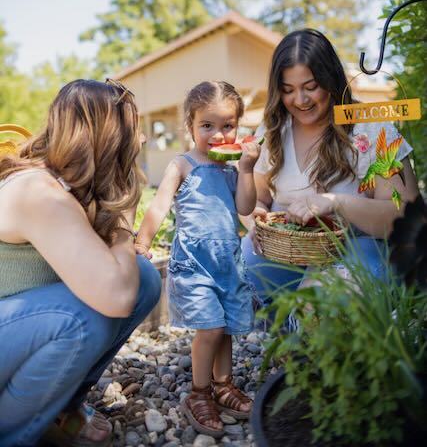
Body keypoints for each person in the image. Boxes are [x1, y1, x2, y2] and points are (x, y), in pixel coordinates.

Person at [0, 79, 162, 447]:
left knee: (146, 278)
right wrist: (124, 213)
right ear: (105, 139)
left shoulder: (65, 186)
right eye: (131, 132)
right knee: (82, 317)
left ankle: (60, 406)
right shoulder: (39, 192)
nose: (139, 142)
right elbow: (116, 296)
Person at [241, 28, 419, 303]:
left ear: (331, 79)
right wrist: (258, 220)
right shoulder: (274, 129)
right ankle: (288, 325)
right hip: (290, 254)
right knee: (245, 256)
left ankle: (308, 330)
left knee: (319, 302)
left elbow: (408, 217)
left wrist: (336, 203)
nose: (300, 101)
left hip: (359, 251)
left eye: (310, 87)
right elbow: (257, 199)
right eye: (288, 90)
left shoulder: (373, 127)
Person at [135, 80, 261, 438]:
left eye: (227, 126)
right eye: (207, 126)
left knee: (226, 329)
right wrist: (143, 241)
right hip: (195, 264)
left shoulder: (232, 168)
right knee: (210, 327)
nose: (219, 135)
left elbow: (245, 208)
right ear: (190, 126)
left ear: (238, 126)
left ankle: (224, 384)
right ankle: (198, 392)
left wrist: (248, 169)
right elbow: (159, 205)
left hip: (227, 262)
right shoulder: (183, 164)